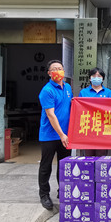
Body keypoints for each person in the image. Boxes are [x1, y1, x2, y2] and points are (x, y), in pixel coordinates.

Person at [38, 60, 72, 210]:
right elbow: (51, 115)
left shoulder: (68, 87)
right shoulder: (47, 91)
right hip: (50, 135)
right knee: (46, 166)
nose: (58, 71)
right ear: (49, 73)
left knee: (64, 165)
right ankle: (44, 194)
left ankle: (62, 191)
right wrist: (61, 134)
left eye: (60, 68)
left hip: (65, 135)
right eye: (54, 69)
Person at [78, 67, 111, 157]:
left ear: (103, 79)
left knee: (101, 156)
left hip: (103, 128)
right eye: (94, 76)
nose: (96, 78)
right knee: (88, 157)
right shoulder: (83, 92)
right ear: (90, 78)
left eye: (99, 76)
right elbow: (79, 109)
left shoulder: (108, 93)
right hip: (88, 128)